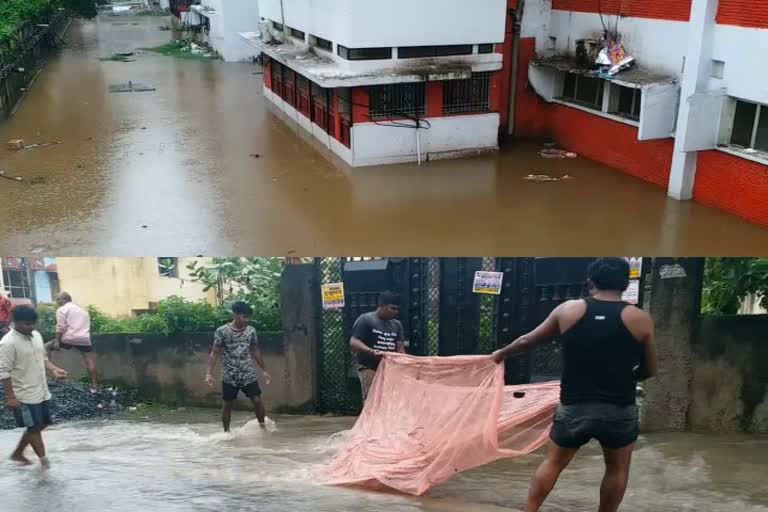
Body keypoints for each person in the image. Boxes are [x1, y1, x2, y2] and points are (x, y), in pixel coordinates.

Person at [491, 257, 657, 512]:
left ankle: (530, 510)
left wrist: (500, 354)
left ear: (590, 282)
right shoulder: (640, 319)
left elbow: (527, 341)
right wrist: (628, 377)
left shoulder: (568, 311)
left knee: (553, 462)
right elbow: (650, 370)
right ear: (624, 284)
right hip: (618, 409)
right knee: (617, 469)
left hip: (573, 407)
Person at [0, 305, 68, 467]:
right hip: (22, 394)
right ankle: (45, 463)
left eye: (32, 324)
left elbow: (42, 358)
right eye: (26, 324)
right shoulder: (8, 343)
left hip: (41, 390)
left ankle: (18, 453)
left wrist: (54, 370)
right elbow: (3, 372)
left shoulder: (36, 335)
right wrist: (11, 397)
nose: (31, 327)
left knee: (42, 423)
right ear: (14, 321)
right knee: (33, 428)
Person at [205, 301, 271, 432]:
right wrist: (209, 373)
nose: (247, 320)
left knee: (257, 400)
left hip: (248, 372)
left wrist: (264, 370)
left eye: (248, 317)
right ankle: (226, 433)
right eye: (244, 316)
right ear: (235, 314)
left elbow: (255, 350)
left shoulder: (251, 331)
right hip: (230, 374)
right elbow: (215, 352)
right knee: (227, 404)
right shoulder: (222, 331)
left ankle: (263, 427)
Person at [349, 291, 406, 402]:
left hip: (389, 367)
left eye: (397, 309)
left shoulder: (397, 324)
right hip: (369, 367)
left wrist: (404, 361)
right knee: (372, 400)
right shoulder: (366, 319)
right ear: (381, 306)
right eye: (392, 308)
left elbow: (400, 347)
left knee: (389, 399)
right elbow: (354, 342)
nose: (396, 312)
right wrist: (372, 351)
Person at [45, 292, 98, 393]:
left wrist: (57, 341)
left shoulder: (62, 309)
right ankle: (95, 386)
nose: (57, 302)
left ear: (65, 299)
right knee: (90, 362)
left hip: (68, 338)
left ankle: (47, 376)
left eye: (58, 299)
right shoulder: (83, 311)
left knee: (46, 347)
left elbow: (60, 327)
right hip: (84, 339)